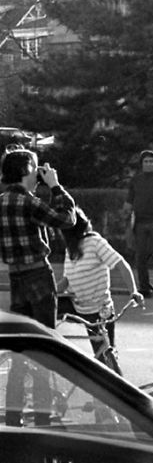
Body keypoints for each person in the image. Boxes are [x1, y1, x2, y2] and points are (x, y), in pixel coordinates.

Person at [0, 144, 76, 427]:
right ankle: (43, 421)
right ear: (25, 171)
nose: (38, 175)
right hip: (39, 278)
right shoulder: (28, 202)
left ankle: (12, 418)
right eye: (35, 169)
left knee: (20, 351)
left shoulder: (2, 201)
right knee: (45, 350)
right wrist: (56, 187)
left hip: (16, 279)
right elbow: (67, 219)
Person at [56, 207, 143, 355]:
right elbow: (66, 280)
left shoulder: (95, 242)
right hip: (78, 308)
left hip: (100, 311)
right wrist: (48, 294)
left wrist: (133, 291)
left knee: (105, 354)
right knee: (42, 314)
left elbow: (121, 264)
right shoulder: (70, 249)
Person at [122, 150, 153, 299]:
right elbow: (129, 202)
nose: (148, 164)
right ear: (141, 164)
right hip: (139, 224)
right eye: (146, 161)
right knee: (140, 257)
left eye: (151, 162)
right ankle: (144, 289)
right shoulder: (135, 181)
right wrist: (126, 214)